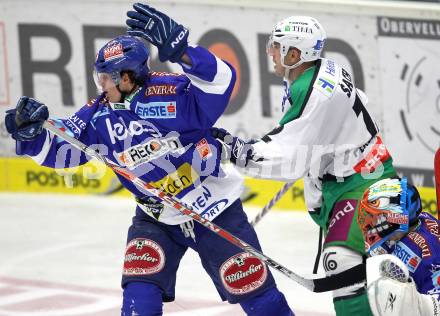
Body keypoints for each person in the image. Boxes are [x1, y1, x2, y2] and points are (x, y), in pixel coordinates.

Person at [4, 3, 294, 316]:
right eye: (98, 76)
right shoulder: (98, 114)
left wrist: (184, 50)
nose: (101, 84)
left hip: (215, 212)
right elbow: (63, 149)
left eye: (108, 77)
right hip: (156, 219)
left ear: (128, 76)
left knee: (262, 301)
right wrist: (30, 134)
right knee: (138, 301)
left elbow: (222, 81)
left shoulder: (173, 93)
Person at [211, 16, 397, 315]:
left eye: (277, 46)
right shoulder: (318, 73)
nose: (271, 52)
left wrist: (235, 151)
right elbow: (313, 143)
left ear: (295, 54)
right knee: (376, 267)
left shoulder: (312, 91)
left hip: (363, 183)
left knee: (342, 261)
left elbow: (287, 154)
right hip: (356, 177)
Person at [357, 177, 440, 316]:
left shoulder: (427, 252)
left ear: (397, 218)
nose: (372, 223)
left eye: (379, 217)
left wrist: (415, 303)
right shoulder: (402, 230)